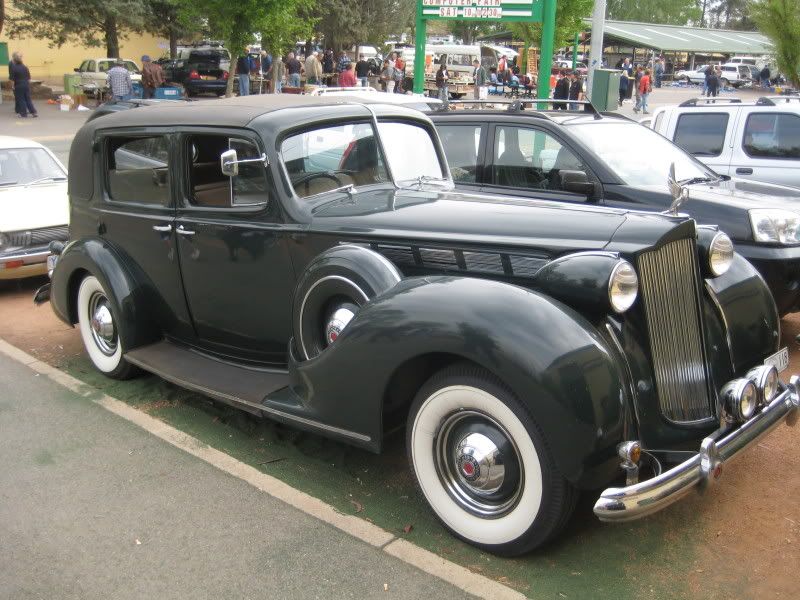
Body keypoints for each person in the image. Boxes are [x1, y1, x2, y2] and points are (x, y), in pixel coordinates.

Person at [8, 51, 37, 118]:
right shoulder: (25, 67)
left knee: (21, 99)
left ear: (14, 60)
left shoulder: (14, 68)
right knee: (28, 99)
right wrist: (26, 84)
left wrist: (12, 86)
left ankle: (23, 114)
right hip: (26, 84)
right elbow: (29, 78)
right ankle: (34, 112)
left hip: (18, 85)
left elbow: (11, 79)